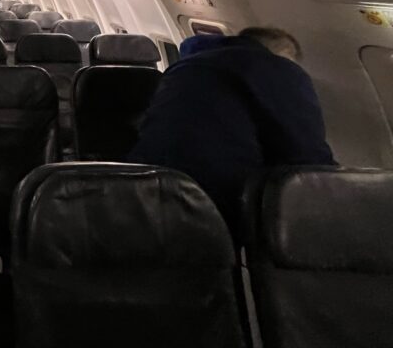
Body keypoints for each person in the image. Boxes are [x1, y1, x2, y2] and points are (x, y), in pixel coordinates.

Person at [128, 27, 335, 239]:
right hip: (218, 197)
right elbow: (306, 152)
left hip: (147, 187)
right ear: (283, 53)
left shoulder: (184, 67)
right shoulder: (279, 70)